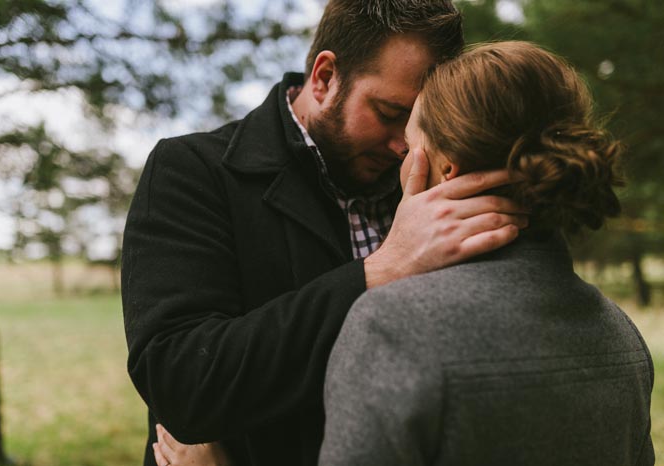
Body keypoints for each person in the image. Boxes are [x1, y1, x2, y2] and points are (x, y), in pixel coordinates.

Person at [121, 1, 528, 465]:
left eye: (420, 122)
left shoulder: (437, 190)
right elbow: (182, 384)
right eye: (388, 111)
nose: (404, 145)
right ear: (324, 76)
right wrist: (384, 269)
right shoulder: (193, 173)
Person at [318, 41, 655, 466]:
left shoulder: (392, 326)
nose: (401, 160)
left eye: (410, 145)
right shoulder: (622, 335)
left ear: (445, 170)